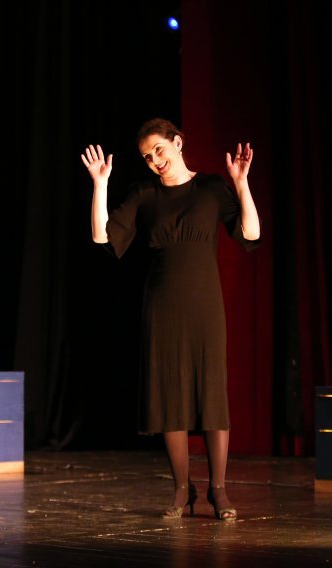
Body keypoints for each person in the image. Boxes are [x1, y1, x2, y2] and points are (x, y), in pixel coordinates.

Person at [80, 118, 260, 520]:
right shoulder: (144, 194)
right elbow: (102, 237)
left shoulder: (211, 187)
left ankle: (218, 491)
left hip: (205, 305)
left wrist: (241, 183)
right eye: (147, 157)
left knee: (211, 393)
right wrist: (100, 184)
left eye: (159, 150)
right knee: (169, 396)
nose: (154, 160)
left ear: (178, 143)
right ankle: (182, 490)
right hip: (161, 305)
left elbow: (250, 234)